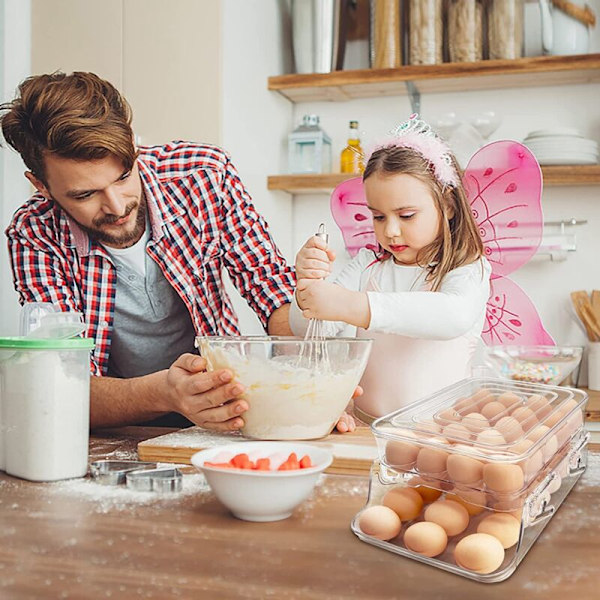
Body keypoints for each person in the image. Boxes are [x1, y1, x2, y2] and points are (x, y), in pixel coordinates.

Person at [0, 71, 297, 432]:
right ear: (41, 186)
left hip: (223, 404)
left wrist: (314, 374)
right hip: (115, 422)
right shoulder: (33, 232)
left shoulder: (204, 175)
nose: (117, 206)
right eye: (85, 194)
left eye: (124, 176)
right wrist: (166, 394)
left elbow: (271, 289)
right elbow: (61, 385)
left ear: (134, 147)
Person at [290, 115, 492, 426]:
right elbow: (306, 329)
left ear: (448, 205)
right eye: (379, 217)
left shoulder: (468, 269)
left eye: (406, 215)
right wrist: (308, 286)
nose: (391, 231)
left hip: (442, 433)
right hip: (368, 427)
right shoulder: (366, 266)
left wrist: (353, 305)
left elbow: (453, 316)